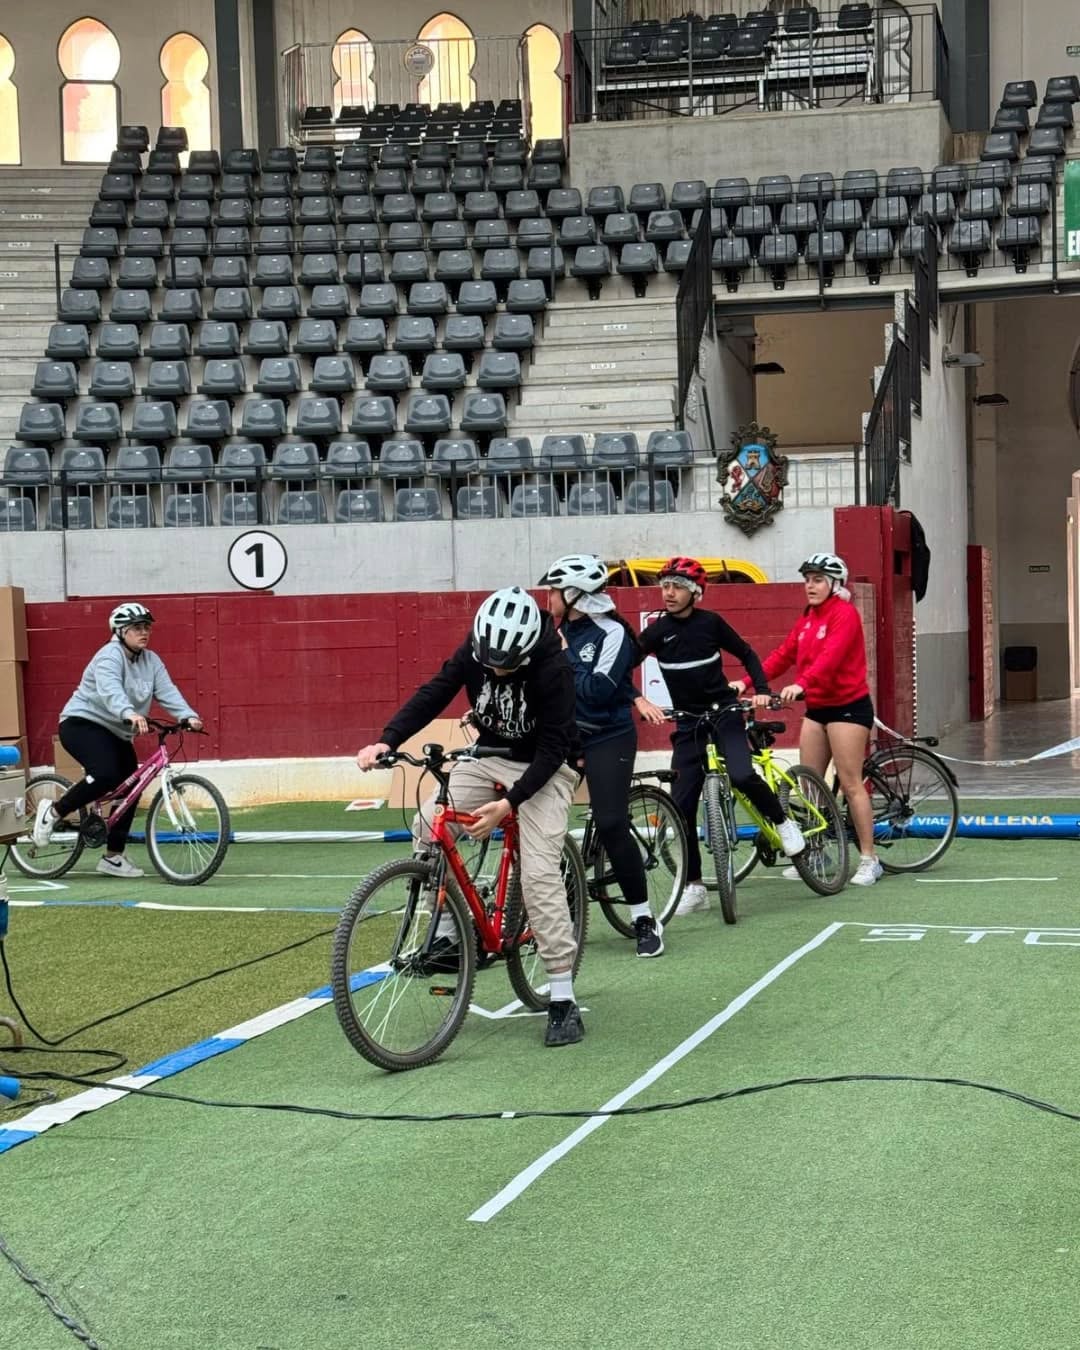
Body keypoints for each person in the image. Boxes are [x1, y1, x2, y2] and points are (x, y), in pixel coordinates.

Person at [356, 587, 586, 1048]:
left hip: (546, 766)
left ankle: (562, 995)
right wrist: (388, 739)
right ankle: (448, 934)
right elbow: (436, 691)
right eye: (491, 663)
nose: (497, 671)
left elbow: (553, 749)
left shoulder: (553, 669)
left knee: (538, 875)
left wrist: (508, 804)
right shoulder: (477, 648)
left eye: (507, 666)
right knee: (428, 825)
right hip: (487, 755)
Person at [635, 558, 805, 914]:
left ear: (695, 592)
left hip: (724, 713)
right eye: (665, 586)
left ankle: (782, 821)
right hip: (688, 723)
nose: (669, 593)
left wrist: (761, 690)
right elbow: (622, 668)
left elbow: (747, 653)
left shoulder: (711, 623)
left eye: (677, 587)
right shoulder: (656, 632)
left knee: (742, 774)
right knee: (681, 805)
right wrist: (639, 699)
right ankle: (694, 885)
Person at [539, 554, 663, 959]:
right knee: (537, 821)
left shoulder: (613, 633)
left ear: (574, 595)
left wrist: (563, 655)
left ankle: (643, 918)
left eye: (554, 590)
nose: (548, 597)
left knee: (611, 822)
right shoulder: (551, 631)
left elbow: (597, 691)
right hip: (564, 738)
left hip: (608, 736)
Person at [738, 552, 882, 887]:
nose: (810, 586)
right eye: (807, 580)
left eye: (817, 580)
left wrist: (802, 684)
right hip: (817, 709)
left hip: (848, 707)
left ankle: (869, 859)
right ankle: (817, 852)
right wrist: (747, 682)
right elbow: (783, 655)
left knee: (851, 783)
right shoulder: (808, 618)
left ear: (834, 584)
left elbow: (830, 658)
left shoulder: (844, 614)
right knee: (809, 785)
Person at [31, 602, 203, 878]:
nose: (144, 632)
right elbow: (110, 689)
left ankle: (113, 857)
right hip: (82, 723)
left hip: (117, 732)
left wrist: (188, 715)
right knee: (106, 773)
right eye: (137, 627)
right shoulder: (109, 656)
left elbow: (167, 690)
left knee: (132, 786)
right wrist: (129, 712)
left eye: (147, 627)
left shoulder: (151, 660)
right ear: (121, 631)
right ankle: (53, 812)